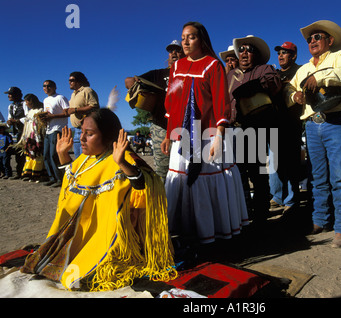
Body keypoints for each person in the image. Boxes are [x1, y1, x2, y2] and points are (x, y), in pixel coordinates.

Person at [21, 108, 177, 291]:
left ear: (109, 135)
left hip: (113, 235)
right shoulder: (84, 160)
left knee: (78, 276)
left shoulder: (124, 158)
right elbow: (72, 190)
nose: (82, 139)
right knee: (44, 261)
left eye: (90, 134)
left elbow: (145, 186)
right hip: (84, 232)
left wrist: (123, 164)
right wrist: (63, 155)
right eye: (82, 133)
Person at [161, 21, 248, 245]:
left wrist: (219, 136)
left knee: (206, 181)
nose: (186, 41)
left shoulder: (212, 66)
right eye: (183, 37)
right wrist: (167, 135)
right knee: (180, 181)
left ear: (202, 40)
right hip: (181, 136)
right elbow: (171, 104)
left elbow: (221, 103)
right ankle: (183, 233)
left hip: (208, 135)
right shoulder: (176, 67)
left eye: (191, 37)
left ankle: (213, 233)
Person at [289, 20, 341, 248]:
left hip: (336, 121)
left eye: (317, 37)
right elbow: (291, 87)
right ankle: (320, 220)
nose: (312, 41)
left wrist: (319, 77)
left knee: (339, 176)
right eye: (309, 39)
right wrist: (294, 97)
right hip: (312, 123)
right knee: (317, 177)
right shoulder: (302, 69)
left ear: (330, 40)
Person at [227, 35, 282, 222]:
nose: (244, 52)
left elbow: (274, 82)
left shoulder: (264, 69)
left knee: (258, 175)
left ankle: (261, 216)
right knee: (236, 175)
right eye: (241, 49)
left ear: (256, 55)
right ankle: (243, 215)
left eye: (249, 49)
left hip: (255, 129)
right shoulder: (229, 75)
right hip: (231, 130)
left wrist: (256, 87)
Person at [125, 40, 185, 183]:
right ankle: (164, 202)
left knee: (185, 169)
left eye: (177, 50)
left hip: (185, 127)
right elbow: (128, 81)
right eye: (171, 51)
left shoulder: (189, 73)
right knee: (163, 170)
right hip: (161, 127)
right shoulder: (157, 74)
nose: (174, 53)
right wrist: (134, 83)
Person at [269, 42, 303, 214]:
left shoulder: (300, 70)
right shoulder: (274, 73)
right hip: (275, 123)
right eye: (279, 53)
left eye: (285, 53)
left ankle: (291, 199)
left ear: (294, 56)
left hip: (292, 123)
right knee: (274, 163)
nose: (281, 56)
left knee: (291, 163)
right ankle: (277, 197)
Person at [38, 80, 70, 187]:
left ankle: (60, 179)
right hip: (48, 129)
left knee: (54, 155)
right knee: (46, 155)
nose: (46, 88)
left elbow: (67, 113)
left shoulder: (60, 98)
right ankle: (52, 177)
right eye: (44, 86)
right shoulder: (45, 100)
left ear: (54, 87)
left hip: (58, 129)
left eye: (49, 86)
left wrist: (53, 116)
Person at [14, 94, 46, 182]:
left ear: (31, 101)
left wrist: (38, 136)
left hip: (37, 136)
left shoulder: (40, 110)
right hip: (29, 136)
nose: (26, 103)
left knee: (37, 154)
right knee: (30, 154)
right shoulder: (30, 111)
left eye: (27, 101)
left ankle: (38, 174)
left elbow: (40, 125)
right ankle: (29, 173)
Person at [68, 72, 100, 158]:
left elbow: (94, 106)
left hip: (86, 130)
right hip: (76, 129)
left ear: (79, 81)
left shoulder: (87, 90)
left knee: (86, 159)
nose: (69, 82)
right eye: (69, 80)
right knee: (78, 159)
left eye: (72, 80)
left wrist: (75, 110)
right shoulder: (73, 94)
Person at [4, 87, 27, 179]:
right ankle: (19, 172)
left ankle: (26, 172)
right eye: (9, 94)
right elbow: (9, 118)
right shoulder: (11, 106)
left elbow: (28, 116)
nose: (9, 96)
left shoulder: (24, 104)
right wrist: (9, 122)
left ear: (17, 95)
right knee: (18, 153)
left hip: (24, 131)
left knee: (25, 152)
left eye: (11, 94)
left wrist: (17, 121)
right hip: (15, 132)